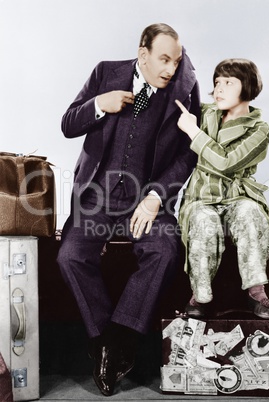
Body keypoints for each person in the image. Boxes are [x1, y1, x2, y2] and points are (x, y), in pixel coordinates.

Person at [57, 23, 200, 396]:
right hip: (97, 197)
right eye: (164, 60)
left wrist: (155, 197)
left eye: (177, 60)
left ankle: (121, 337)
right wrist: (99, 105)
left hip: (146, 199)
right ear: (143, 55)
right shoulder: (105, 72)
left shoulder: (185, 88)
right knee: (70, 256)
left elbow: (188, 154)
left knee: (166, 250)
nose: (172, 68)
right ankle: (104, 339)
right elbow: (68, 123)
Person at [175, 58, 269, 321]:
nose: (219, 88)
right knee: (202, 219)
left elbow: (227, 162)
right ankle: (200, 296)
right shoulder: (204, 113)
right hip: (201, 197)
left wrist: (194, 134)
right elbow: (173, 97)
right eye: (217, 82)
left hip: (238, 195)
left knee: (250, 214)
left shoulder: (259, 129)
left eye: (228, 82)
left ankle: (256, 290)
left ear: (248, 86)